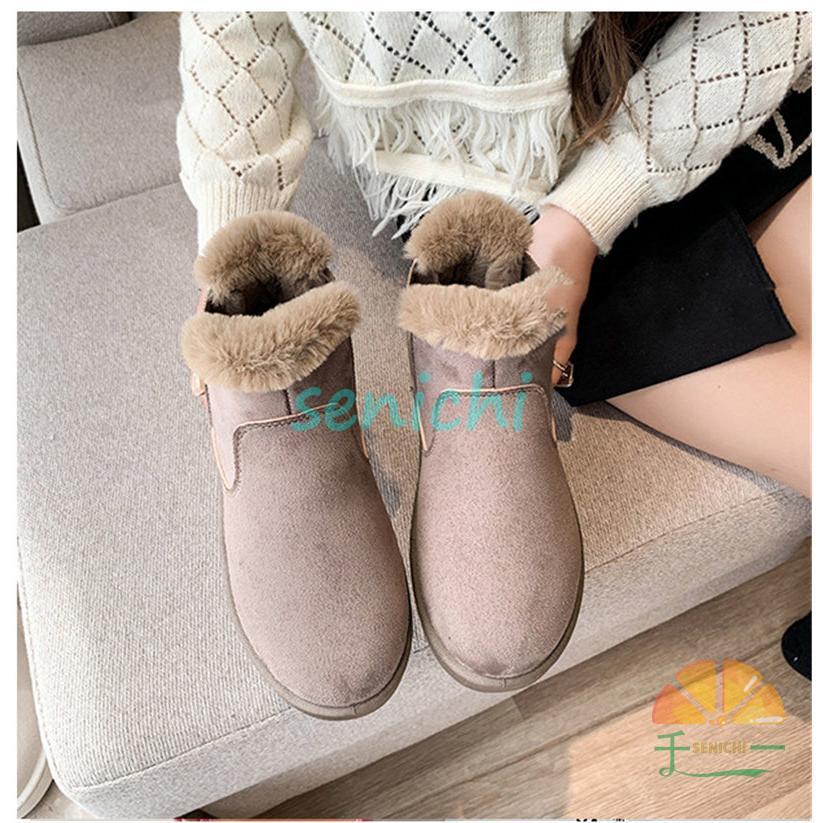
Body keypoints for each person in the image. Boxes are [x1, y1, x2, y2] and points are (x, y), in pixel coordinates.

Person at [177, 11, 811, 496]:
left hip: (712, 80)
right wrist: (235, 230)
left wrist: (584, 218)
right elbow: (231, 23)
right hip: (482, 162)